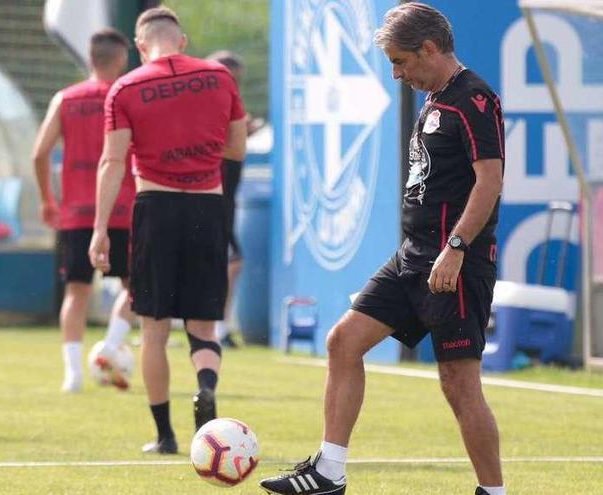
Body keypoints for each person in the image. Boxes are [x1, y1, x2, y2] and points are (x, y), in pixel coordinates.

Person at [260, 3, 505, 495]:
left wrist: (456, 246)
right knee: (342, 342)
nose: (396, 73)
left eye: (401, 61)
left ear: (430, 49)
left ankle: (493, 491)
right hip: (412, 257)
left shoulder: (474, 98)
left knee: (458, 382)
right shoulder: (435, 100)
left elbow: (490, 181)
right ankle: (329, 472)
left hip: (454, 263)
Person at [89, 6, 247, 454]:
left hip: (155, 208)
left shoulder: (126, 86)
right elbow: (236, 147)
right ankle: (206, 386)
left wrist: (101, 230)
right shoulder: (220, 78)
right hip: (208, 207)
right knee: (203, 324)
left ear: (140, 47)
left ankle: (165, 435)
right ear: (182, 40)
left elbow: (113, 162)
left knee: (154, 328)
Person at [32, 27, 138, 393]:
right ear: (122, 59)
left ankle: (73, 375)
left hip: (76, 212)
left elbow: (39, 152)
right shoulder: (127, 97)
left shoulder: (66, 99)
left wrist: (48, 198)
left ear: (90, 58)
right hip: (123, 209)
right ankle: (109, 346)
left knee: (77, 292)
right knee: (136, 286)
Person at [204, 50, 264, 349]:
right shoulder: (204, 109)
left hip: (224, 201)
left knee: (228, 263)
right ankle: (215, 328)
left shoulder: (231, 108)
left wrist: (243, 130)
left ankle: (217, 327)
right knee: (229, 262)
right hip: (209, 200)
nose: (233, 85)